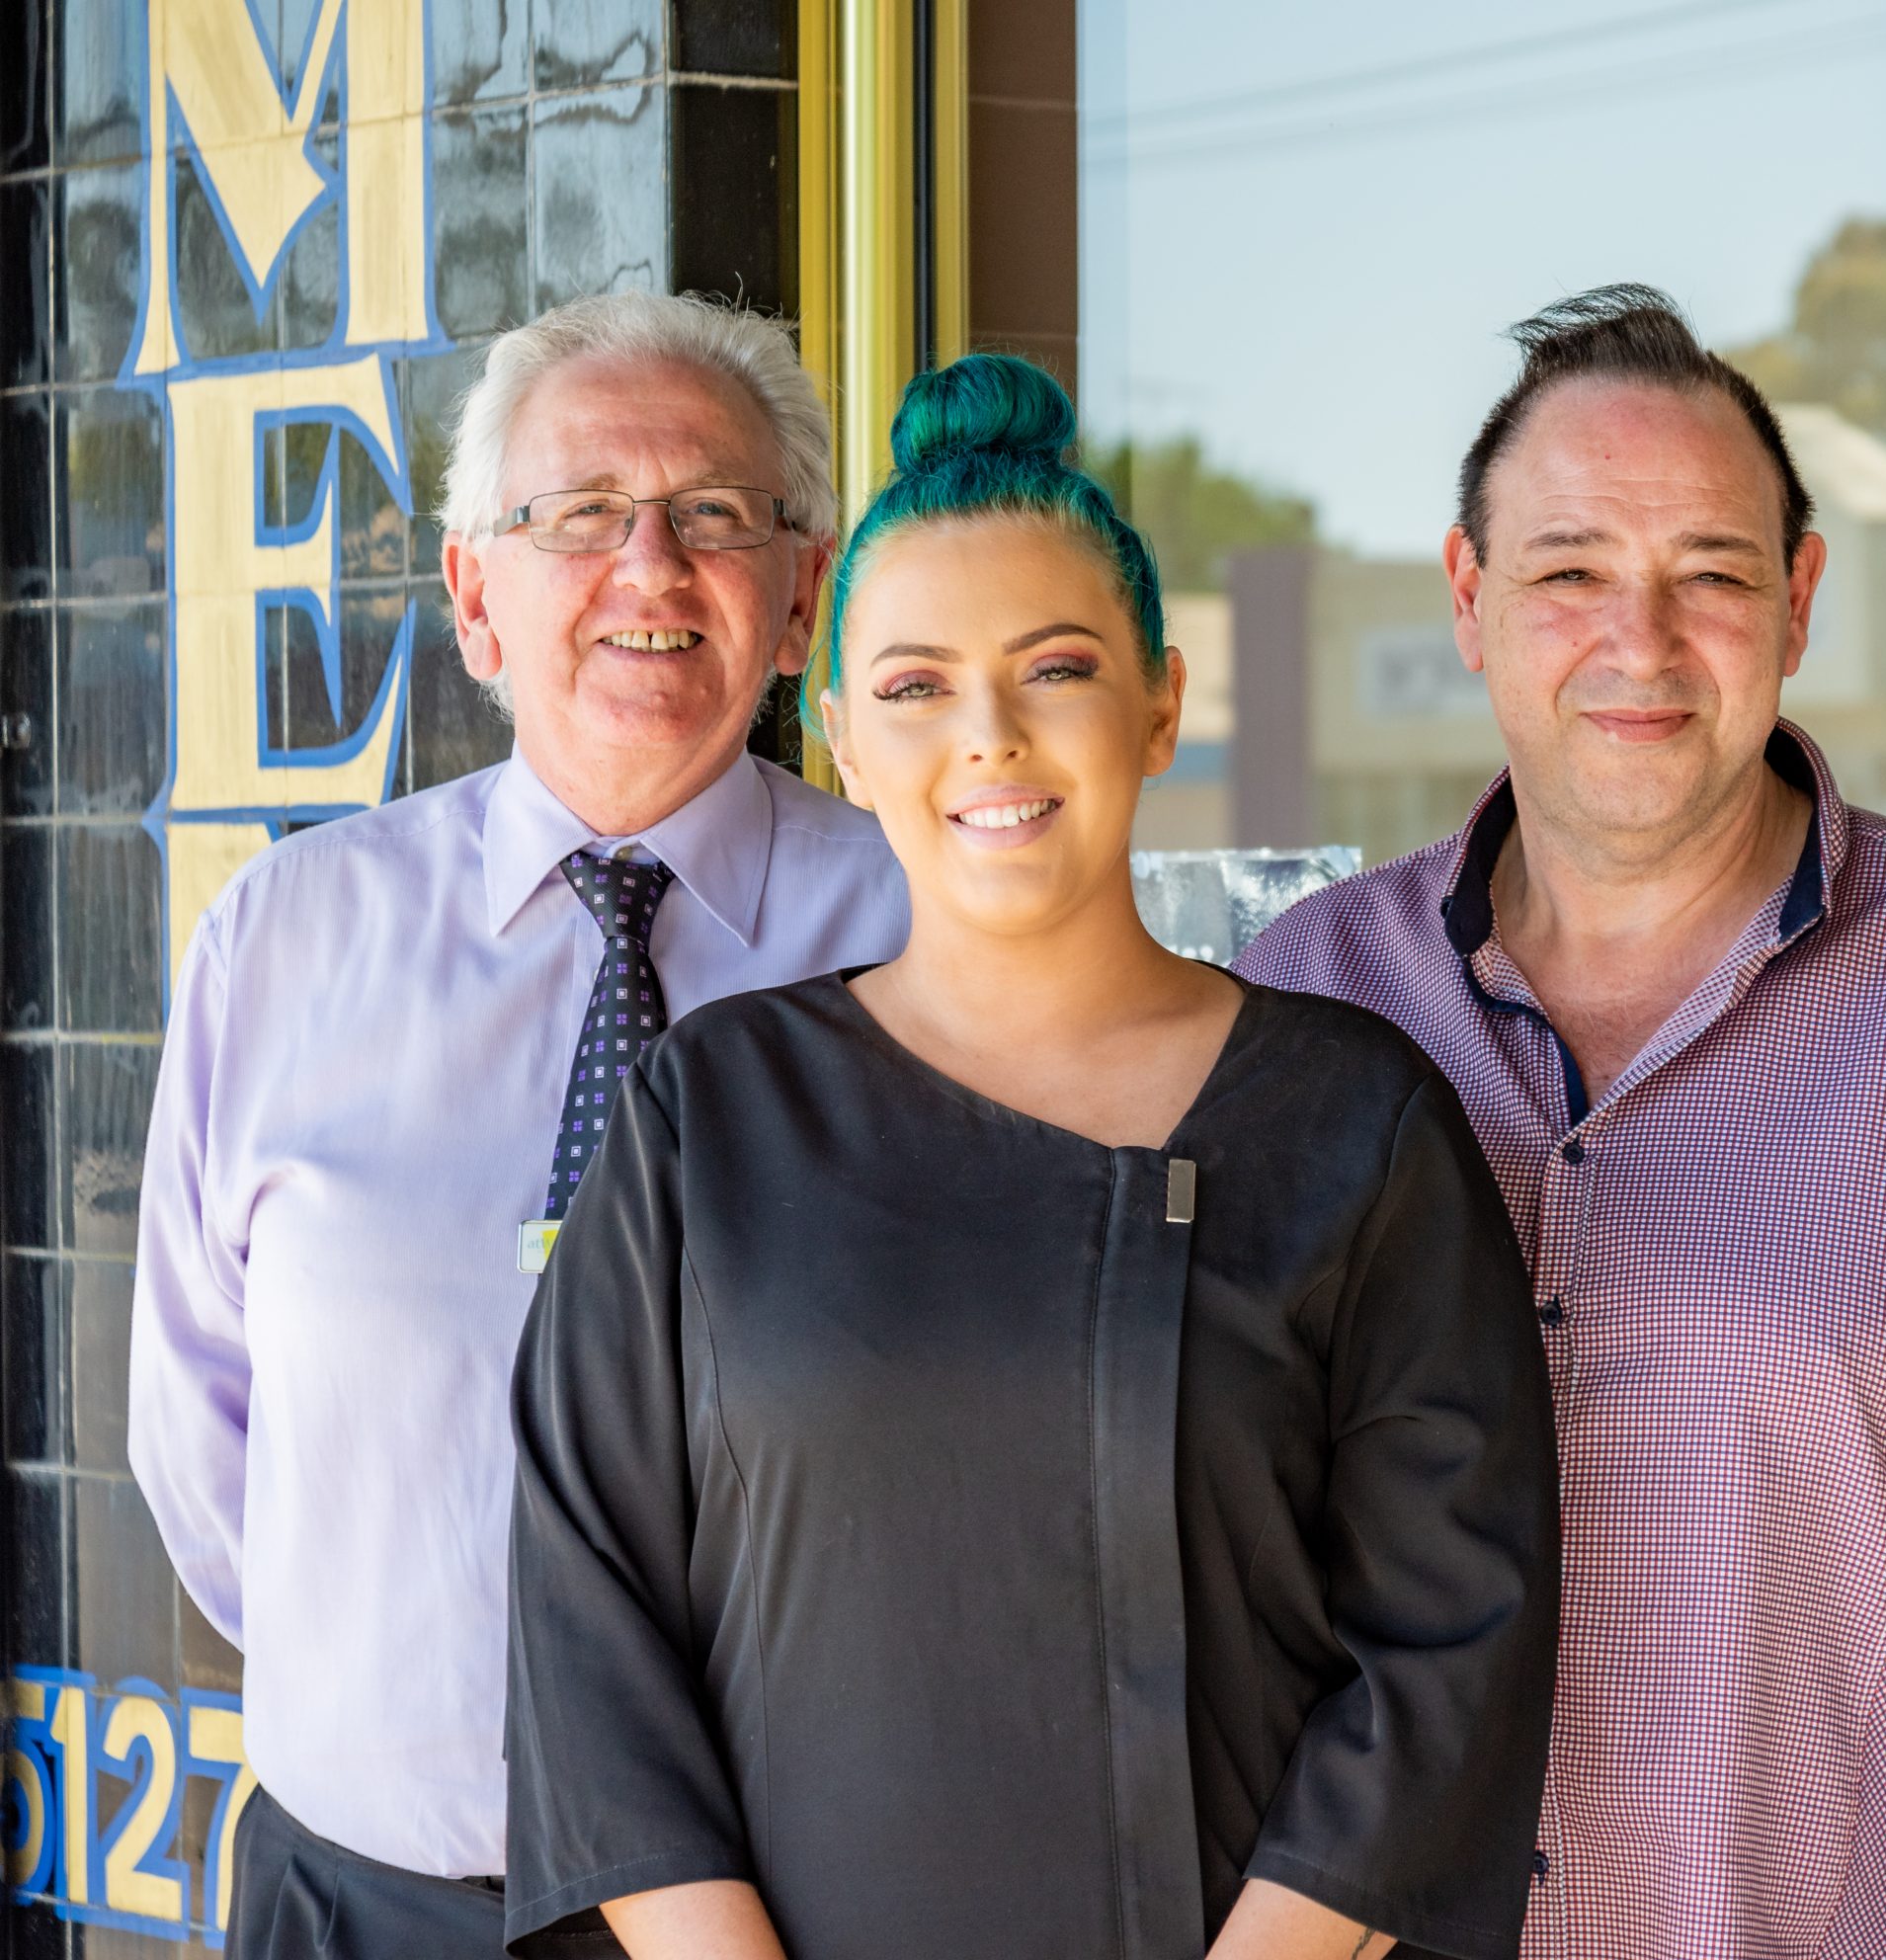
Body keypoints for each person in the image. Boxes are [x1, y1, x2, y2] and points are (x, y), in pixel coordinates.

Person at [1237, 286, 1886, 1960]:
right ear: (1469, 597)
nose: (1639, 644)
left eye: (1709, 574)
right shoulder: (1307, 1002)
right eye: (1571, 570)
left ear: (1795, 604)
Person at [501, 354, 1559, 1960]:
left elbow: (1445, 1648)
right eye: (917, 687)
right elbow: (590, 1626)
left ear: (1160, 707)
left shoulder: (1354, 1122)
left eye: (1053, 669)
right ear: (844, 737)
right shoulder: (712, 1113)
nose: (985, 737)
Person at [128, 290, 910, 1957]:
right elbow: (204, 1444)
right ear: (476, 600)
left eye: (714, 515)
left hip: (794, 1915)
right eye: (575, 517)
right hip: (361, 1896)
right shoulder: (285, 938)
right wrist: (411, 1697)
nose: (648, 565)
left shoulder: (926, 939)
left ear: (799, 603)